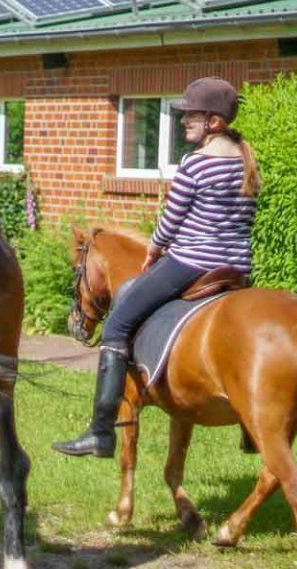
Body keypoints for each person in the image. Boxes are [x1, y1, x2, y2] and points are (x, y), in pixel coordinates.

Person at [56, 76, 260, 458]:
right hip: (237, 267)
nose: (182, 120)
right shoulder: (246, 159)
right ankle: (250, 428)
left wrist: (153, 250)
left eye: (190, 116)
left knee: (117, 322)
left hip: (192, 262)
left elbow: (171, 221)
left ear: (213, 122)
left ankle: (100, 432)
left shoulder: (196, 164)